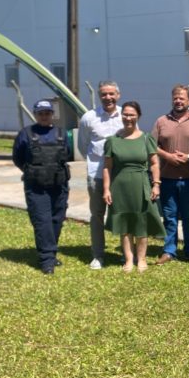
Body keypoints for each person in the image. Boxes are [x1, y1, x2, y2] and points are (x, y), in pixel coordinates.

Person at [102, 101, 165, 273]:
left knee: (141, 223)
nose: (128, 118)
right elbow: (107, 167)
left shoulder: (146, 138)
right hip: (119, 187)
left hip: (141, 185)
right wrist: (106, 189)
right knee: (125, 224)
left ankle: (142, 259)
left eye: (132, 115)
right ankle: (129, 259)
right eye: (125, 114)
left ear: (138, 116)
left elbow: (154, 163)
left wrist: (156, 184)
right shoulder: (112, 141)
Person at [12, 100, 71, 275]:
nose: (44, 116)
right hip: (36, 186)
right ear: (35, 115)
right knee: (42, 221)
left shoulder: (61, 133)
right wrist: (34, 171)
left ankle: (50, 253)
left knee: (57, 219)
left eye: (47, 113)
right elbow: (17, 158)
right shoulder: (25, 134)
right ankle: (47, 260)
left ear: (52, 114)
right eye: (40, 113)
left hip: (59, 185)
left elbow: (67, 154)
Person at [151, 84, 189, 265]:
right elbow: (151, 146)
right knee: (170, 217)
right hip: (167, 178)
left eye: (182, 98)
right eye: (175, 97)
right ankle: (169, 251)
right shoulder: (161, 121)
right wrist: (168, 156)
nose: (178, 101)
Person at [78, 81, 123, 269]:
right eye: (104, 94)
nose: (108, 97)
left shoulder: (126, 115)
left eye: (111, 94)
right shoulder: (89, 118)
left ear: (118, 95)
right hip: (96, 174)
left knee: (122, 214)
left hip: (120, 175)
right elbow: (83, 146)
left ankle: (126, 253)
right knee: (97, 215)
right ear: (99, 96)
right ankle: (98, 255)